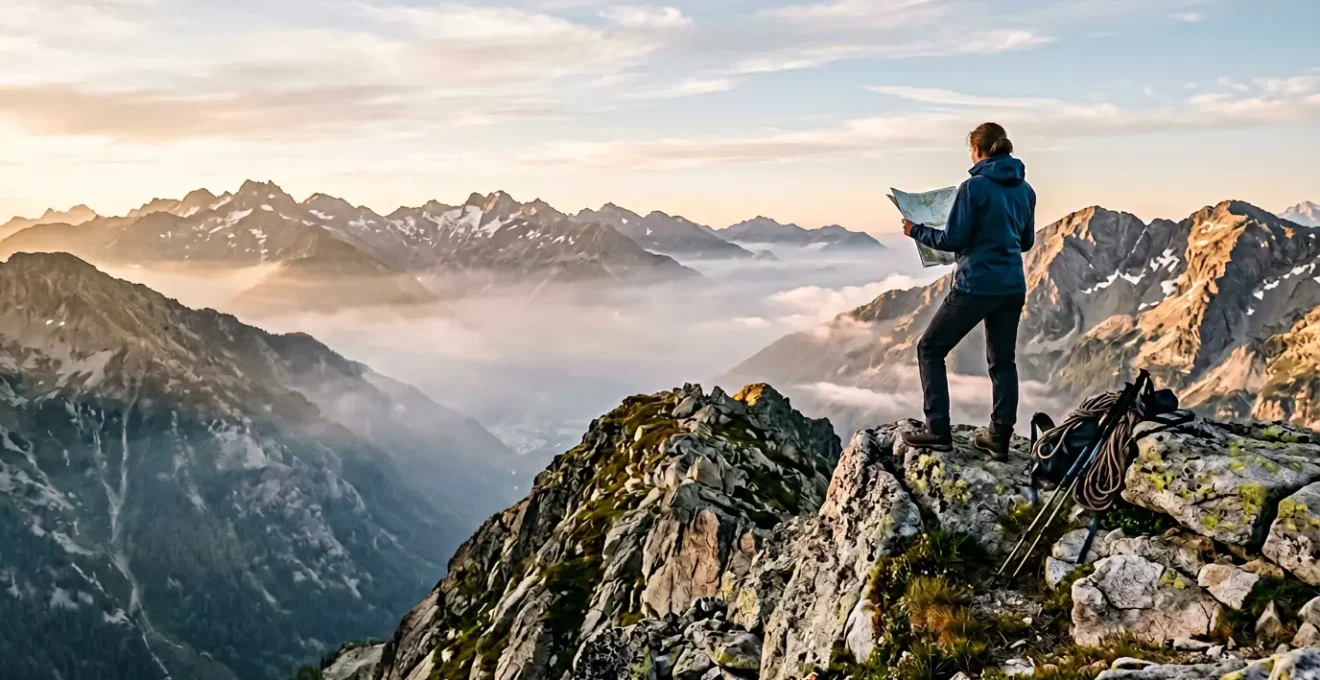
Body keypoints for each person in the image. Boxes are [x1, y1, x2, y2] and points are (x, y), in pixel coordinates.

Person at [899, 122, 1036, 460]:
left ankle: (938, 430)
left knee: (930, 349)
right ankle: (999, 437)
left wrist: (916, 230)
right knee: (1003, 361)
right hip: (1012, 287)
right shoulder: (1026, 190)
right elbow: (1027, 242)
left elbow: (952, 240)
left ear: (977, 151)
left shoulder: (972, 188)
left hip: (975, 286)